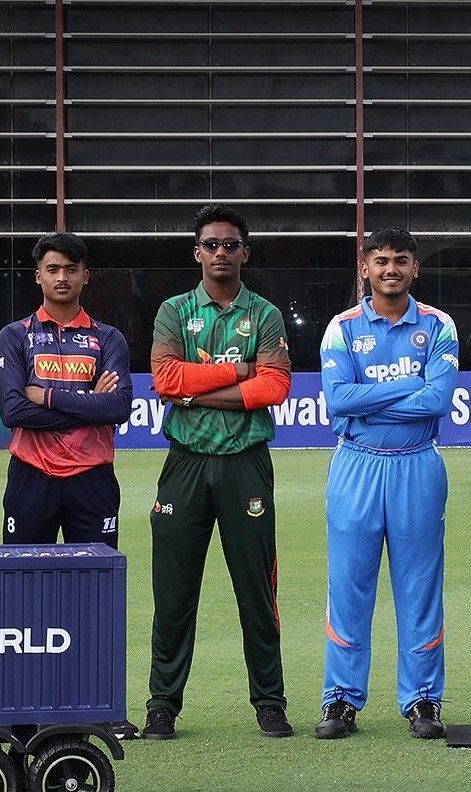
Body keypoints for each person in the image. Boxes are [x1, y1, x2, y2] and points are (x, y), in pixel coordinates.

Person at [143, 204, 294, 741]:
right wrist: (239, 371)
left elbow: (275, 387)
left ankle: (270, 703)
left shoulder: (265, 314)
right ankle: (162, 704)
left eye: (230, 244)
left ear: (245, 252)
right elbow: (166, 379)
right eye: (211, 244)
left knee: (256, 591)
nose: (220, 253)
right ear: (197, 252)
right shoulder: (174, 311)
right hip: (185, 461)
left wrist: (196, 391)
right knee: (174, 593)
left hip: (245, 463)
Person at [314, 229, 459, 740]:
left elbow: (437, 400)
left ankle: (422, 699)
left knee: (420, 587)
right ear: (366, 268)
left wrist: (370, 396)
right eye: (380, 260)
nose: (390, 269)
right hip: (356, 465)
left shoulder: (438, 324)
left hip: (417, 465)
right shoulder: (342, 327)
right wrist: (409, 384)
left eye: (400, 260)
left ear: (415, 267)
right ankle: (340, 699)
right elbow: (338, 399)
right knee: (349, 585)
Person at [0, 232, 132, 550]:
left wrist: (48, 397)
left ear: (85, 276)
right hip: (31, 473)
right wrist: (91, 405)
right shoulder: (14, 335)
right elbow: (13, 411)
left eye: (71, 269)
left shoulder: (109, 338)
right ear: (38, 276)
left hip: (92, 475)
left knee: (95, 576)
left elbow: (118, 407)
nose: (61, 277)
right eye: (52, 269)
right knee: (25, 574)